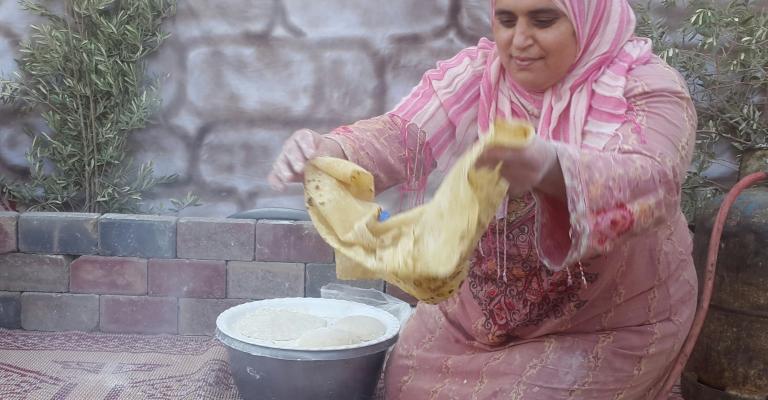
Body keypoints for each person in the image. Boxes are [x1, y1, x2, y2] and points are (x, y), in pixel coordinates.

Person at [268, 0, 697, 398]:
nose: (519, 40)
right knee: (407, 385)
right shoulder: (480, 75)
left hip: (602, 322)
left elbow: (653, 178)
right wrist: (329, 151)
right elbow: (402, 135)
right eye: (506, 20)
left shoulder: (643, 86)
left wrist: (552, 167)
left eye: (543, 20)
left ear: (589, 18)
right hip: (476, 316)